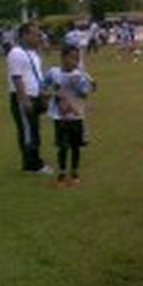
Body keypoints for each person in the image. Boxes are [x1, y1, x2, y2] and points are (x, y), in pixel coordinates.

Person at [43, 45, 93, 186]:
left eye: (77, 58)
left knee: (76, 145)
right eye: (72, 58)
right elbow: (43, 88)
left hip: (76, 115)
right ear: (63, 58)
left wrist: (78, 86)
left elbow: (85, 94)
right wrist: (54, 91)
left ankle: (75, 171)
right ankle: (62, 172)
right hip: (60, 116)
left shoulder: (79, 76)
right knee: (63, 145)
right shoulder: (53, 73)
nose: (75, 61)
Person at [7, 23, 53, 174]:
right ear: (25, 35)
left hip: (36, 95)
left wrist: (43, 92)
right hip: (23, 97)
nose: (38, 38)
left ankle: (34, 160)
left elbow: (37, 74)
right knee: (28, 131)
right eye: (35, 34)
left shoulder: (33, 53)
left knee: (34, 129)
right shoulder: (16, 53)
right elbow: (16, 77)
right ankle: (32, 164)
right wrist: (24, 99)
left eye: (39, 34)